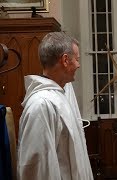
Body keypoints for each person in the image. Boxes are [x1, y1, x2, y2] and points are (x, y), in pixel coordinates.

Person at [17, 32, 93, 180]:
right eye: (76, 60)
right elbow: (37, 168)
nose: (78, 65)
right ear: (65, 60)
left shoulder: (59, 96)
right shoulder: (41, 104)